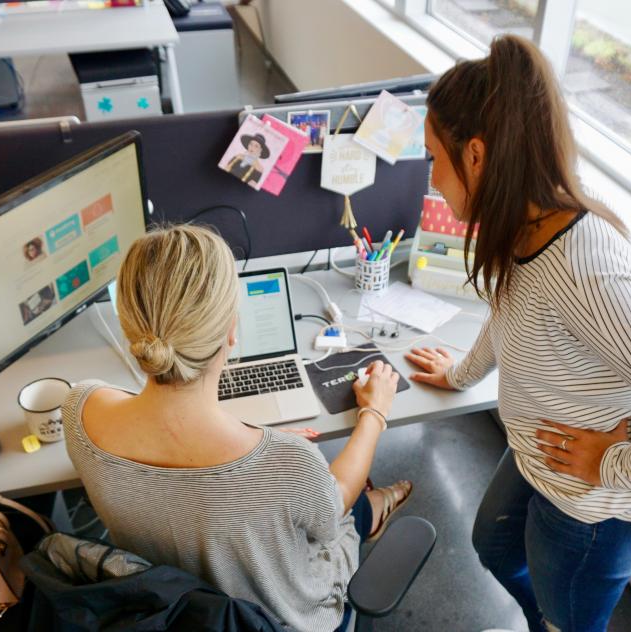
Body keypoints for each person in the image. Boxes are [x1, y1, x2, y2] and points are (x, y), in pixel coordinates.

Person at [405, 35, 631, 632]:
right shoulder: (522, 222)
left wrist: (611, 465)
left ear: (479, 155)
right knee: (493, 545)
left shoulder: (585, 271)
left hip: (594, 507)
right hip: (543, 458)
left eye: (435, 156)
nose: (432, 178)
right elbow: (510, 313)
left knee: (569, 617)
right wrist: (460, 373)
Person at [62, 225, 413, 632]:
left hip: (170, 611)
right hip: (285, 620)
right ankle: (374, 509)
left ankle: (375, 507)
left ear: (128, 325)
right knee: (345, 515)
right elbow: (332, 512)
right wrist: (374, 413)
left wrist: (260, 450)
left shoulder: (79, 410)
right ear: (232, 331)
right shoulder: (290, 463)